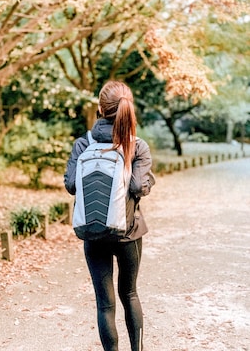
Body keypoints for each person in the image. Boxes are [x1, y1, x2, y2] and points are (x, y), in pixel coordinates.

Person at [64, 80, 155, 351]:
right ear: (128, 109)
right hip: (128, 233)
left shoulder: (83, 144)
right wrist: (148, 180)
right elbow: (139, 186)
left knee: (105, 303)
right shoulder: (136, 146)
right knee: (130, 293)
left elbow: (70, 185)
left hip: (93, 232)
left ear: (100, 109)